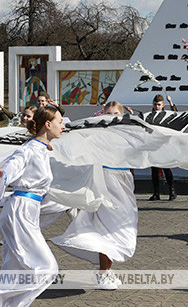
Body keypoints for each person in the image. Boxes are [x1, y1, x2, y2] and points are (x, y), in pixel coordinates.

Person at [0, 106, 64, 307]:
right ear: (48, 125)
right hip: (19, 211)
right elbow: (14, 165)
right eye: (60, 122)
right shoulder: (29, 149)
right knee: (47, 268)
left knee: (16, 270)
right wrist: (2, 174)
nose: (63, 126)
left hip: (25, 210)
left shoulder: (41, 149)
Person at [51, 101, 138, 290]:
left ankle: (105, 270)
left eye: (115, 113)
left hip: (124, 183)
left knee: (124, 227)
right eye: (107, 113)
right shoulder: (96, 134)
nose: (111, 116)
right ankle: (103, 273)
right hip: (104, 182)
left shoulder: (128, 134)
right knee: (106, 228)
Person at [149, 94, 177, 201]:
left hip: (164, 145)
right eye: (155, 104)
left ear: (163, 105)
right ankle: (156, 193)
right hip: (154, 144)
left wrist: (171, 103)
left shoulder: (166, 114)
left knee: (166, 169)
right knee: (154, 171)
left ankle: (172, 191)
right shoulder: (150, 115)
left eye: (159, 104)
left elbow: (175, 115)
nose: (157, 106)